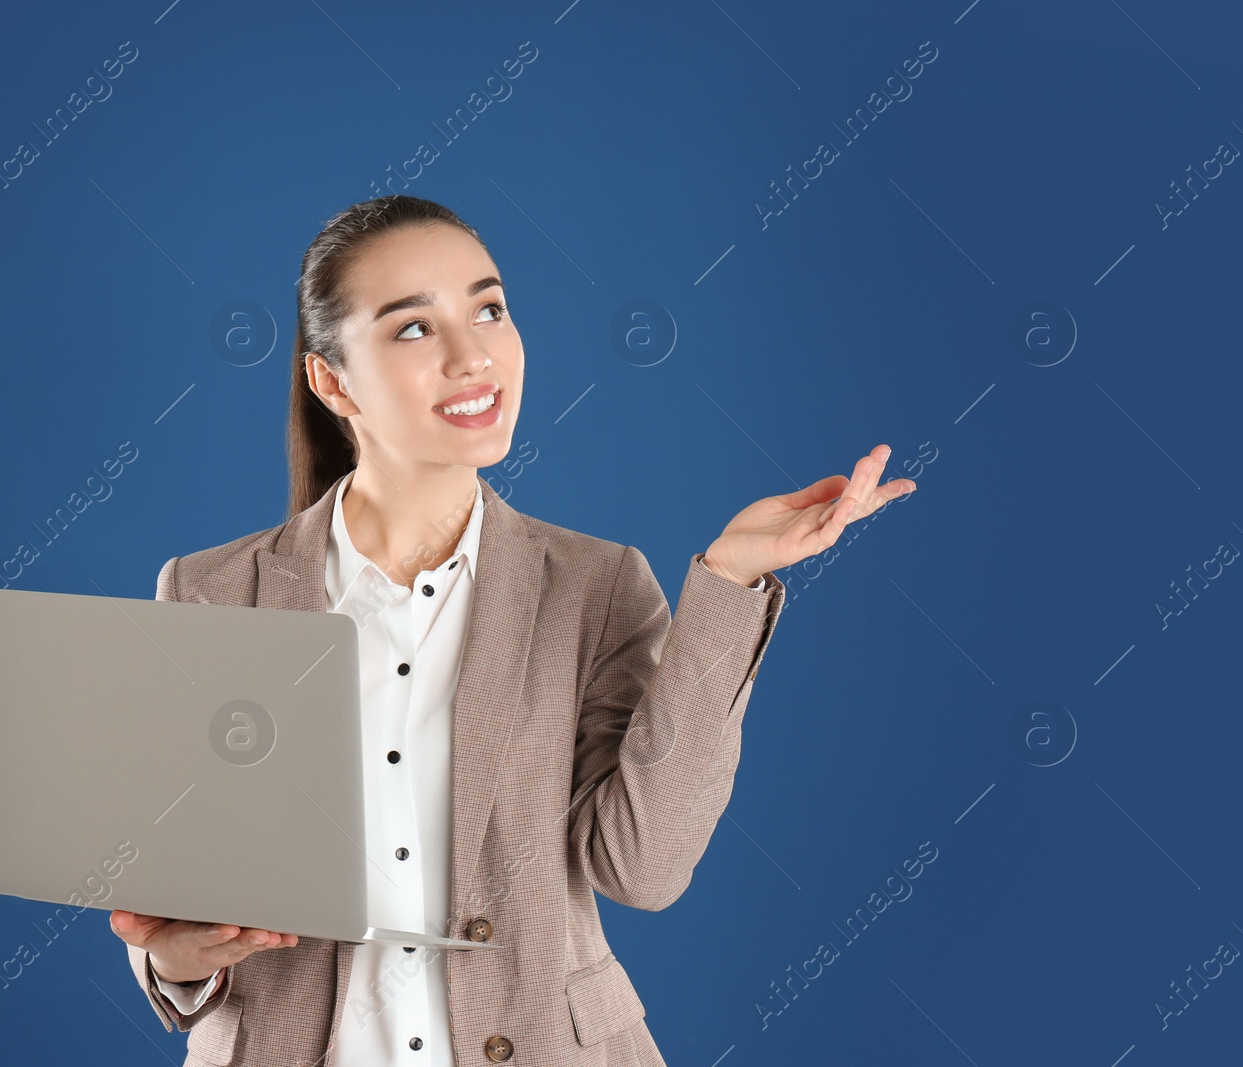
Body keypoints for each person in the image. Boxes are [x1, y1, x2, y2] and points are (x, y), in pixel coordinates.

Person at [109, 195, 916, 1065]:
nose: (473, 355)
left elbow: (643, 867)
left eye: (488, 309)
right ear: (332, 381)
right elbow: (183, 890)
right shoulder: (210, 591)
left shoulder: (597, 586)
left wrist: (728, 581)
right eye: (413, 329)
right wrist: (173, 959)